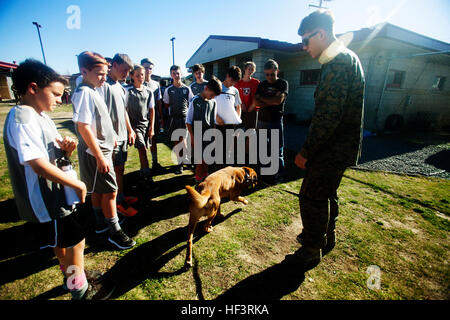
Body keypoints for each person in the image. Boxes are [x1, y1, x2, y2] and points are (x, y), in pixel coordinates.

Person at [4, 58, 115, 299]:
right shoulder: (23, 118)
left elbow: (48, 155)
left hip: (55, 195)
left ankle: (72, 277)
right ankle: (79, 289)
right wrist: (76, 183)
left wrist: (65, 151)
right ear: (33, 88)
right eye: (55, 94)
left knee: (63, 240)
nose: (59, 99)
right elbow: (37, 164)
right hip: (46, 199)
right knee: (77, 240)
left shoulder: (39, 115)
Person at [294, 9, 365, 269]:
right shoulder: (347, 58)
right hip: (341, 148)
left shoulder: (337, 62)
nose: (303, 47)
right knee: (326, 194)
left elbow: (328, 116)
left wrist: (306, 151)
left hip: (330, 149)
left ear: (321, 34)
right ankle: (326, 239)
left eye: (306, 40)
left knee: (311, 196)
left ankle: (312, 248)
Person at [72, 51, 136, 250]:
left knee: (99, 190)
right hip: (96, 152)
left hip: (102, 148)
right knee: (110, 191)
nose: (103, 77)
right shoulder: (84, 92)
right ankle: (115, 232)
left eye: (105, 73)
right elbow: (83, 127)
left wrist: (111, 139)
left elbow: (100, 121)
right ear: (84, 71)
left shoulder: (92, 90)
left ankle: (101, 222)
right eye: (100, 73)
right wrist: (100, 155)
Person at [97, 53, 138, 217]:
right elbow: (101, 114)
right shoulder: (103, 85)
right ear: (113, 65)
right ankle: (115, 204)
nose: (126, 74)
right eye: (124, 70)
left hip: (122, 136)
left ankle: (121, 196)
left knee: (120, 169)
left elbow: (124, 112)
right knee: (112, 171)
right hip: (111, 138)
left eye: (128, 71)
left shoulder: (121, 87)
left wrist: (130, 130)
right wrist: (110, 135)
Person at [254, 59, 288, 184]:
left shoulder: (283, 83)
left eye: (272, 74)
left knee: (277, 150)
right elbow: (255, 102)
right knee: (262, 148)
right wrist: (270, 99)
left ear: (277, 71)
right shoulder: (261, 84)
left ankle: (279, 175)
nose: (269, 77)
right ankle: (266, 174)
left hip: (275, 121)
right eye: (267, 74)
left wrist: (263, 99)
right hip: (262, 121)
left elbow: (278, 101)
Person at [186, 76, 222, 182]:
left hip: (209, 134)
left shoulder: (213, 102)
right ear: (206, 88)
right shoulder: (195, 101)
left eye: (214, 96)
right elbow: (188, 121)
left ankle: (205, 177)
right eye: (211, 95)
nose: (212, 98)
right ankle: (198, 180)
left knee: (207, 158)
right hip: (197, 134)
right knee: (199, 159)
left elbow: (213, 121)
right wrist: (192, 137)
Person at [126, 65, 156, 188]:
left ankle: (143, 171)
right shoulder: (127, 91)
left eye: (142, 75)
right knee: (142, 149)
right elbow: (125, 110)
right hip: (134, 126)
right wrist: (129, 129)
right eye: (137, 75)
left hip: (146, 125)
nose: (140, 77)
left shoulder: (148, 92)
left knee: (144, 150)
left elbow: (152, 110)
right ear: (132, 76)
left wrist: (152, 127)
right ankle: (148, 177)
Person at [163, 65, 194, 174]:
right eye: (174, 73)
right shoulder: (168, 90)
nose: (176, 75)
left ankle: (188, 160)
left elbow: (191, 103)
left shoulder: (187, 89)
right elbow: (166, 104)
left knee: (184, 141)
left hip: (184, 119)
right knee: (177, 142)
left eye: (178, 73)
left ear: (181, 74)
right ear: (171, 75)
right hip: (173, 119)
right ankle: (179, 164)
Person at [214, 66, 242, 166]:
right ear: (227, 76)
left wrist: (237, 120)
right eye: (232, 80)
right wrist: (217, 117)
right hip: (217, 125)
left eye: (235, 82)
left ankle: (227, 170)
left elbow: (238, 106)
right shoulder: (217, 88)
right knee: (217, 151)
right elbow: (211, 106)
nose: (232, 83)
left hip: (230, 126)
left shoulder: (235, 91)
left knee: (228, 151)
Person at [141, 58, 164, 173]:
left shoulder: (155, 84)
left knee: (153, 140)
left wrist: (161, 117)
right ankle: (144, 167)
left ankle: (155, 163)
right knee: (142, 143)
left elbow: (159, 102)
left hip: (153, 118)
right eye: (145, 67)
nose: (148, 70)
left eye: (150, 68)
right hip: (141, 118)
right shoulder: (137, 83)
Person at [235, 61, 260, 130]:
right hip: (241, 110)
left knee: (251, 131)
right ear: (245, 69)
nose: (250, 71)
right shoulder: (238, 83)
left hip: (252, 110)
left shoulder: (256, 82)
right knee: (240, 131)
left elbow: (258, 96)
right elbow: (236, 97)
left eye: (252, 69)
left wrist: (253, 105)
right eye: (249, 69)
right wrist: (241, 104)